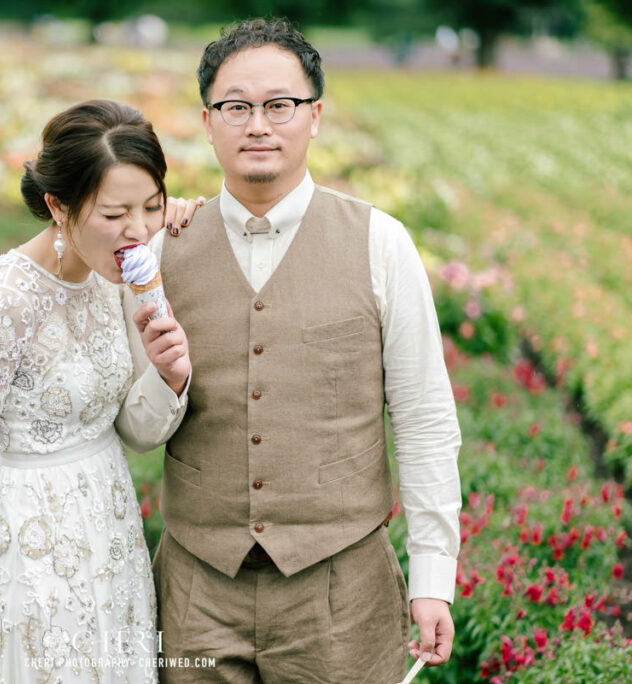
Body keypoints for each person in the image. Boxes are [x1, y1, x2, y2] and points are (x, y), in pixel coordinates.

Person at [123, 18, 462, 683]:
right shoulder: (160, 251)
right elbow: (135, 428)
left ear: (315, 118)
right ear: (207, 120)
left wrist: (433, 577)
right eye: (237, 107)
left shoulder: (380, 243)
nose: (258, 125)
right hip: (196, 590)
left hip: (340, 590)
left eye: (280, 105)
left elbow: (423, 418)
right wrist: (165, 383)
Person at [0, 99, 199, 683]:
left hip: (110, 526)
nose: (137, 230)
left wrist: (169, 376)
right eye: (115, 213)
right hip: (28, 540)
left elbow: (134, 428)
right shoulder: (10, 294)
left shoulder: (122, 271)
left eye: (151, 206)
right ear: (58, 205)